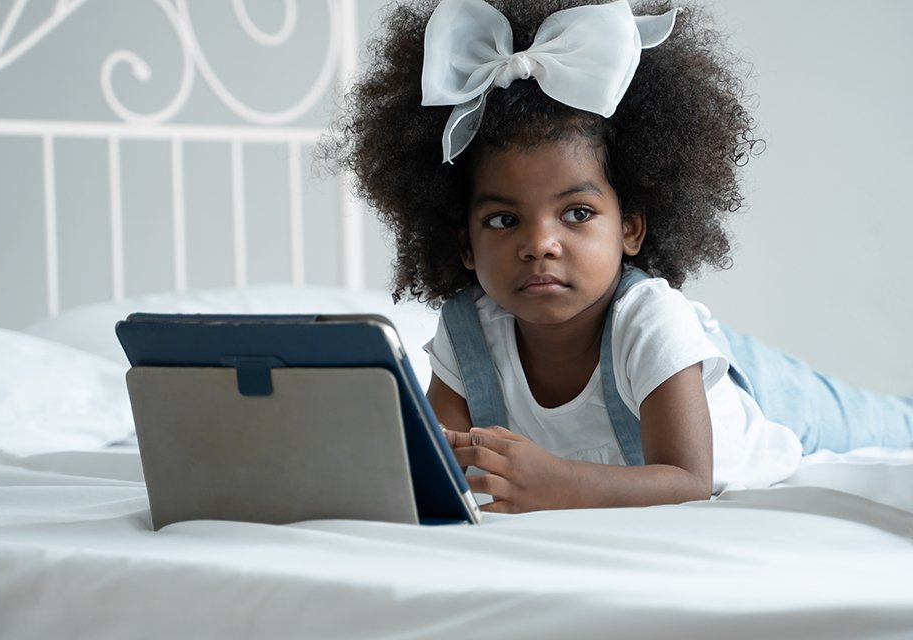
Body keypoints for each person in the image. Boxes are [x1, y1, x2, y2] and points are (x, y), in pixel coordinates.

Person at [321, 0, 913, 513]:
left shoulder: (650, 320)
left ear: (630, 228)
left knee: (890, 423)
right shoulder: (468, 331)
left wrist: (556, 482)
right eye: (503, 220)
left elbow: (687, 480)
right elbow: (430, 470)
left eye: (576, 213)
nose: (540, 243)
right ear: (464, 246)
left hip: (764, 397)